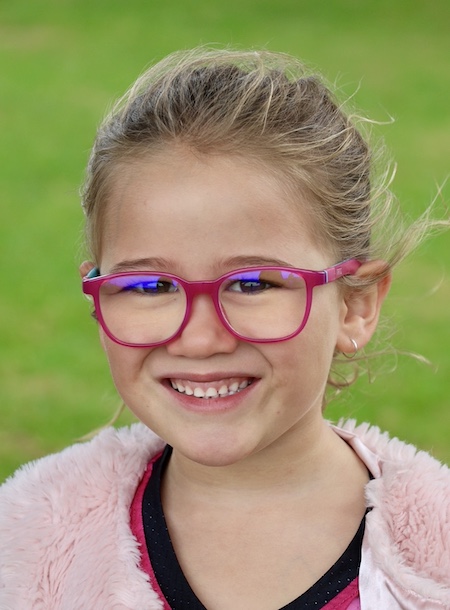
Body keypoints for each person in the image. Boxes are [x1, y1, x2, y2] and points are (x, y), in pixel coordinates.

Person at [0, 48, 448, 610]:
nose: (200, 338)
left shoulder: (436, 558)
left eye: (253, 284)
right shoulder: (28, 543)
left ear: (354, 305)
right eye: (150, 287)